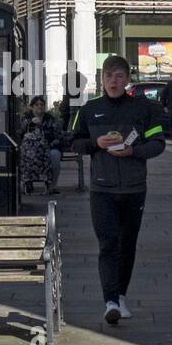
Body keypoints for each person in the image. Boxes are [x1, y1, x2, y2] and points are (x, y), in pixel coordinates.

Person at [70, 54, 165, 325]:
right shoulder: (89, 109)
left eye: (119, 76)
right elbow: (74, 142)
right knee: (108, 243)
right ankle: (110, 301)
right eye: (109, 76)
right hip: (102, 189)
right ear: (102, 79)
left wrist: (133, 150)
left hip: (135, 188)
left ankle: (121, 295)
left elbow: (157, 142)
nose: (113, 81)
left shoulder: (143, 109)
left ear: (127, 80)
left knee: (128, 245)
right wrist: (95, 143)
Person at [19, 96, 64, 193]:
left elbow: (58, 135)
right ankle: (27, 182)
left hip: (48, 147)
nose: (39, 106)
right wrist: (30, 123)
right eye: (36, 104)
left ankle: (52, 186)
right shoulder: (26, 118)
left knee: (55, 155)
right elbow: (20, 133)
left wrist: (49, 143)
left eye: (41, 104)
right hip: (30, 149)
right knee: (24, 156)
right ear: (32, 107)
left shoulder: (50, 119)